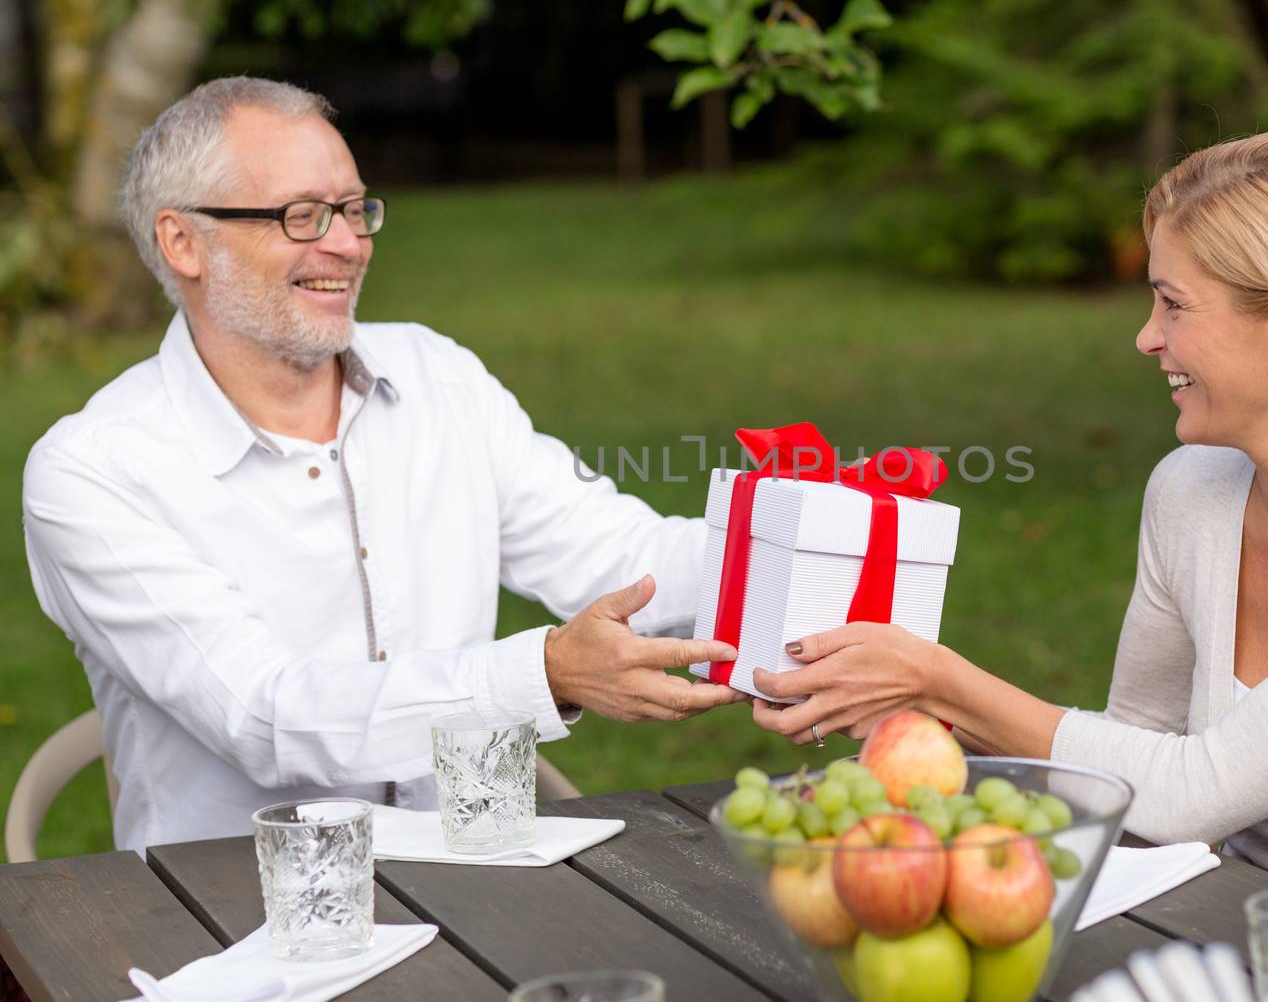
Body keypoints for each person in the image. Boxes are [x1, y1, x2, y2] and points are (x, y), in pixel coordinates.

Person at [749, 131, 1268, 958]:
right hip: (1256, 928)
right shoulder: (1191, 491)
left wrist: (943, 678)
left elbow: (1196, 791)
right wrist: (914, 705)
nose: (1147, 337)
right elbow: (1132, 760)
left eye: (1174, 304)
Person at [22, 77, 741, 855]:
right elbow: (268, 717)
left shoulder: (438, 375)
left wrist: (852, 543)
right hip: (233, 922)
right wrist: (546, 671)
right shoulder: (94, 470)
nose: (348, 243)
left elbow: (626, 562)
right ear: (183, 242)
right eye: (302, 215)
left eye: (354, 208)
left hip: (479, 882)